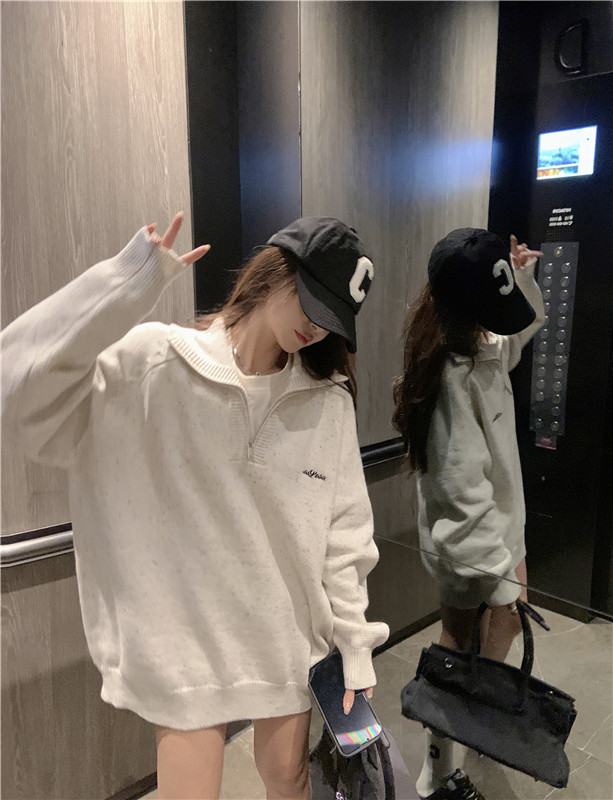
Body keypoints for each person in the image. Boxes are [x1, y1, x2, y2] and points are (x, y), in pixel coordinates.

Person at [1, 212, 389, 800]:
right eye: (311, 303)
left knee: (289, 779)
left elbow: (345, 536)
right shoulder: (157, 363)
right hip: (186, 643)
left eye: (331, 318)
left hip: (286, 638)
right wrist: (125, 285)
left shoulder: (326, 403)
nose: (315, 327)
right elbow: (21, 390)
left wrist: (356, 647)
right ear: (275, 271)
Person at [392, 228, 544, 800]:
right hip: (473, 547)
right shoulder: (452, 376)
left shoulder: (480, 348)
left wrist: (520, 276)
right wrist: (498, 577)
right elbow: (461, 492)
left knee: (493, 636)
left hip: (501, 535)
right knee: (457, 653)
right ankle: (439, 764)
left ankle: (473, 722)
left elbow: (517, 330)